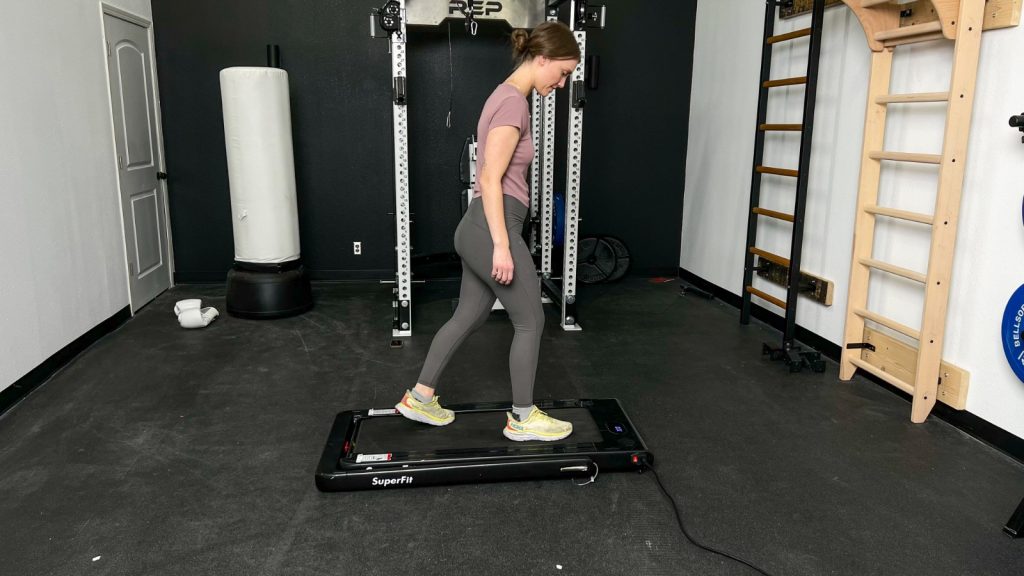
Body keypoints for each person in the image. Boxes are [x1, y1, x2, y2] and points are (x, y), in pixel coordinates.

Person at [394, 21, 581, 442]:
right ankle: (522, 417)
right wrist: (502, 245)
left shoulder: (507, 97)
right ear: (543, 58)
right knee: (532, 320)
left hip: (482, 224)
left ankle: (420, 398)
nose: (563, 82)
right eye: (563, 72)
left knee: (469, 314)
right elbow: (490, 178)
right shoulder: (513, 102)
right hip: (492, 226)